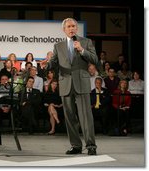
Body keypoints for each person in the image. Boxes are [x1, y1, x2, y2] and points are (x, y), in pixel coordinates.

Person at [45, 18, 98, 155]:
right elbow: (54, 63)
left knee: (86, 116)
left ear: (77, 28)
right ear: (64, 29)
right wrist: (47, 65)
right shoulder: (58, 46)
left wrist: (81, 50)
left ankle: (91, 145)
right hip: (66, 83)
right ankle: (76, 145)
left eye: (73, 26)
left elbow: (94, 59)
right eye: (68, 26)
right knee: (69, 117)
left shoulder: (86, 42)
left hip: (81, 83)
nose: (71, 28)